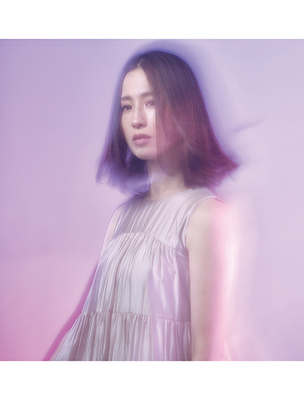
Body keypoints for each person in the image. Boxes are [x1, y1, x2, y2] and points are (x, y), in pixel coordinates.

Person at [51, 49, 238, 361]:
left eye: (151, 103)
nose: (136, 119)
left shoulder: (206, 216)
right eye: (127, 106)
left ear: (185, 109)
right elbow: (90, 328)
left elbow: (207, 354)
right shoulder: (122, 217)